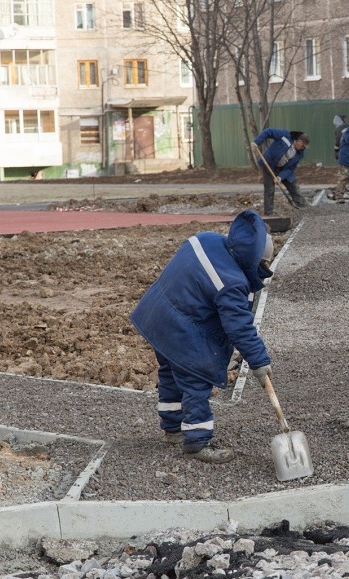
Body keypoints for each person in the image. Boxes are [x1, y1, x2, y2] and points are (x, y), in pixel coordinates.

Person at [131, 210, 275, 464]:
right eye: (263, 264)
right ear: (253, 260)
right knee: (196, 379)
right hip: (180, 329)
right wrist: (259, 361)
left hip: (155, 316)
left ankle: (172, 429)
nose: (265, 269)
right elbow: (239, 326)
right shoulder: (231, 282)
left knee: (171, 373)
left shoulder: (205, 239)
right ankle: (197, 442)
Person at [251, 128, 310, 216]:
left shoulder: (300, 154)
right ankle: (269, 213)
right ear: (298, 141)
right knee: (269, 190)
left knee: (294, 187)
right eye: (303, 146)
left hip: (283, 169)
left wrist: (280, 177)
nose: (303, 148)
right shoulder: (285, 135)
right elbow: (269, 131)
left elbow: (290, 168)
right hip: (270, 164)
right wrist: (256, 142)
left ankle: (303, 208)